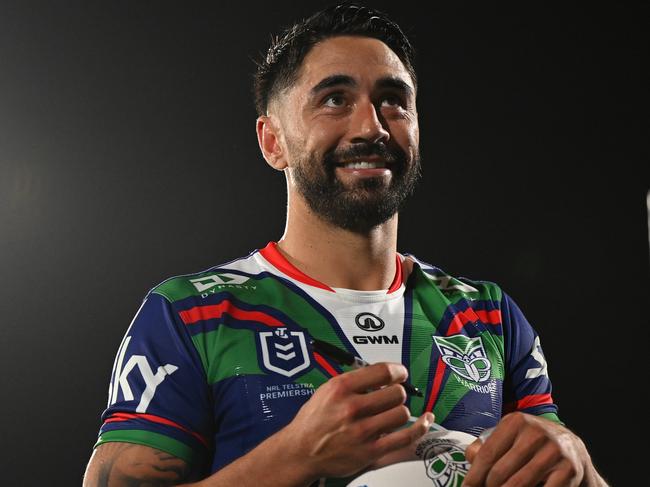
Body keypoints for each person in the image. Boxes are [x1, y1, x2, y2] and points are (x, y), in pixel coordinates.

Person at [83, 4, 608, 486]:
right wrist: (295, 454)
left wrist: (577, 463)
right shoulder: (190, 313)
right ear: (273, 141)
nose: (371, 126)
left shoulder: (488, 314)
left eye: (394, 101)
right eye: (335, 99)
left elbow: (560, 467)